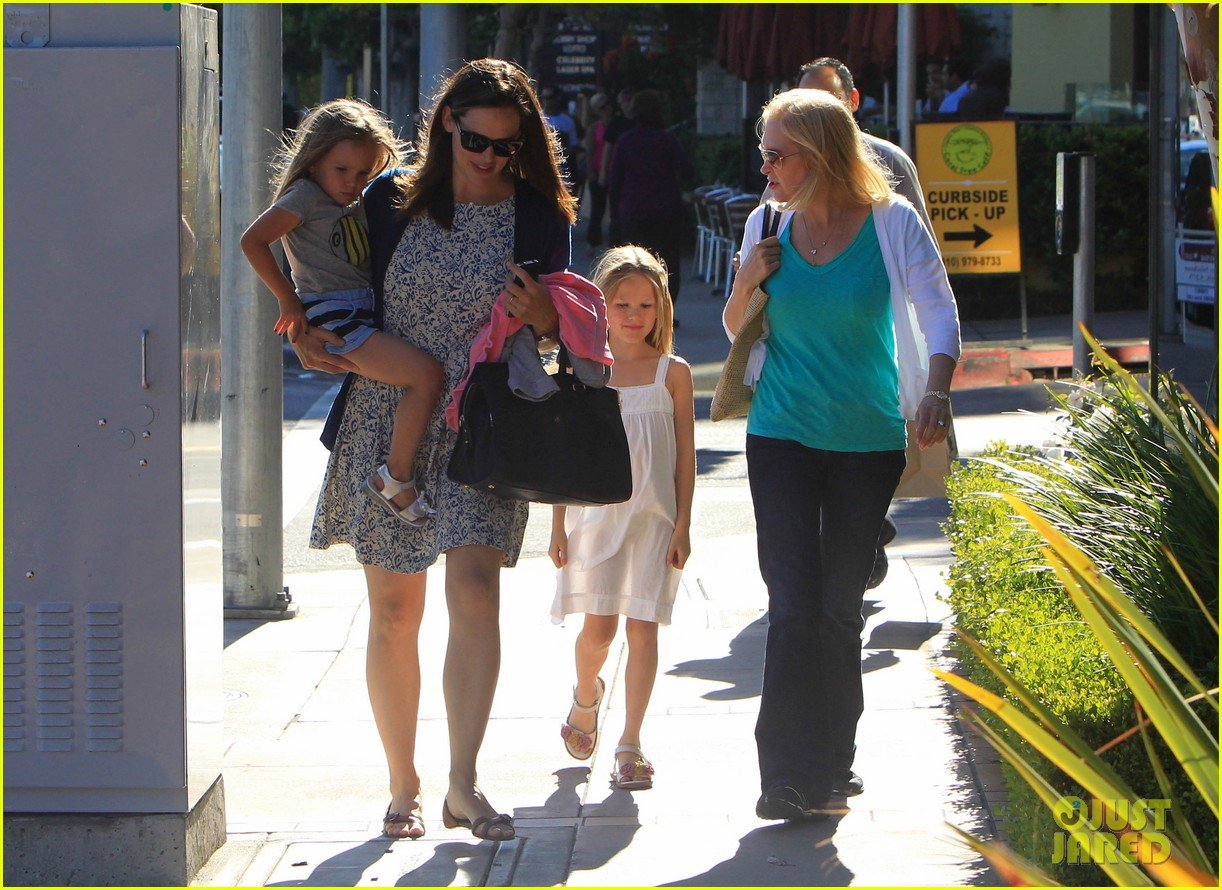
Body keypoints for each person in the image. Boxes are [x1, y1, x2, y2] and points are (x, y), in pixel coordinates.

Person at [296, 59, 582, 842]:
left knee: (476, 593)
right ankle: (403, 783)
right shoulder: (388, 201)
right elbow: (328, 280)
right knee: (393, 610)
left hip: (486, 424)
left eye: (507, 146)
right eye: (477, 141)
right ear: (446, 124)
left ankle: (463, 782)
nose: (491, 158)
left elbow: (572, 334)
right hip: (390, 417)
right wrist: (306, 333)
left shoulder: (537, 215)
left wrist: (549, 321)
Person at [725, 89, 960, 821]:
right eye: (763, 153)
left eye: (776, 155)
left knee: (837, 609)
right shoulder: (767, 225)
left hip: (866, 440)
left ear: (820, 155)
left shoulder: (891, 223)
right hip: (782, 434)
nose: (764, 169)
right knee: (792, 605)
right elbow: (737, 327)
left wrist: (938, 391)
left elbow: (937, 307)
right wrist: (748, 279)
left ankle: (833, 765)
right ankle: (786, 776)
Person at [241, 99, 444, 526]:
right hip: (334, 315)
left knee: (418, 379)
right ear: (314, 162)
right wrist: (288, 300)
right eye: (342, 170)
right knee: (425, 377)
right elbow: (253, 241)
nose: (353, 183)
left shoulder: (351, 200)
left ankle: (395, 474)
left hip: (356, 311)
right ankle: (395, 479)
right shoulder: (305, 196)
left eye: (363, 173)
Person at [549, 245, 695, 791]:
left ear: (662, 310)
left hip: (655, 520)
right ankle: (585, 697)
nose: (635, 316)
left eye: (646, 305)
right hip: (594, 518)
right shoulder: (589, 370)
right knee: (599, 629)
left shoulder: (672, 373)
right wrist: (557, 525)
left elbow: (685, 456)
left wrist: (683, 524)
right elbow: (566, 451)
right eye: (622, 304)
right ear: (601, 309)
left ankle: (630, 742)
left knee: (644, 627)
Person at [798, 57, 934, 587]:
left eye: (827, 101)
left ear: (852, 103)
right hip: (810, 351)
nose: (814, 114)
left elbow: (920, 255)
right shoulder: (788, 160)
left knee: (867, 452)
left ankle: (866, 531)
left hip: (874, 341)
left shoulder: (887, 161)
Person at [608, 89, 694, 311]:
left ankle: (637, 306)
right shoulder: (668, 141)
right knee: (668, 262)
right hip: (665, 211)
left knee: (633, 265)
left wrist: (615, 216)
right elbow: (687, 172)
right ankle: (666, 309)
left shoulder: (625, 141)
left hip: (633, 212)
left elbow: (614, 181)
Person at [583, 92, 613, 249]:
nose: (605, 110)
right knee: (597, 208)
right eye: (601, 108)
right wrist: (591, 172)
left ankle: (614, 242)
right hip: (597, 169)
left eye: (606, 106)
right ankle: (592, 241)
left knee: (615, 207)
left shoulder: (616, 125)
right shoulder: (594, 128)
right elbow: (589, 151)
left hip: (614, 171)